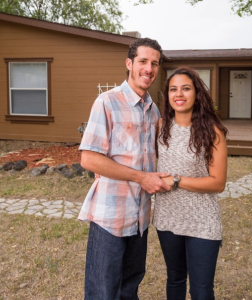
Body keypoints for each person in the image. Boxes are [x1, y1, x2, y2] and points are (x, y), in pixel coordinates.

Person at [78, 38, 171, 300]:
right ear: (129, 63)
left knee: (129, 289)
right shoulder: (107, 102)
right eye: (143, 61)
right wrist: (140, 177)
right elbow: (89, 159)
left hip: (139, 219)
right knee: (102, 292)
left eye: (154, 63)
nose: (149, 69)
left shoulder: (154, 112)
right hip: (110, 218)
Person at [153, 67, 228, 300]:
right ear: (167, 95)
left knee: (201, 290)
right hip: (168, 217)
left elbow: (218, 183)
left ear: (197, 93)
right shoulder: (159, 127)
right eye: (173, 89)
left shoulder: (212, 132)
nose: (180, 94)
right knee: (175, 279)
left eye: (186, 88)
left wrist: (176, 180)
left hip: (202, 220)